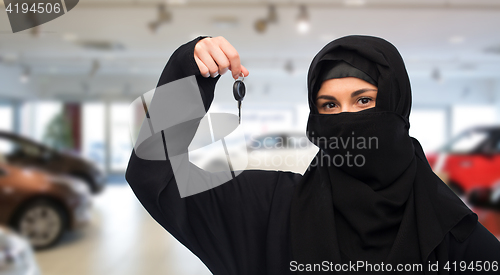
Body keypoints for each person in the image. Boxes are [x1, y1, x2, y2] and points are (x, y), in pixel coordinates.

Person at [125, 35, 500, 274]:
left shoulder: (453, 236)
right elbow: (155, 177)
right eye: (329, 106)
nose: (346, 120)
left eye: (364, 100)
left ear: (397, 106)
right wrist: (188, 76)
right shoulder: (268, 208)